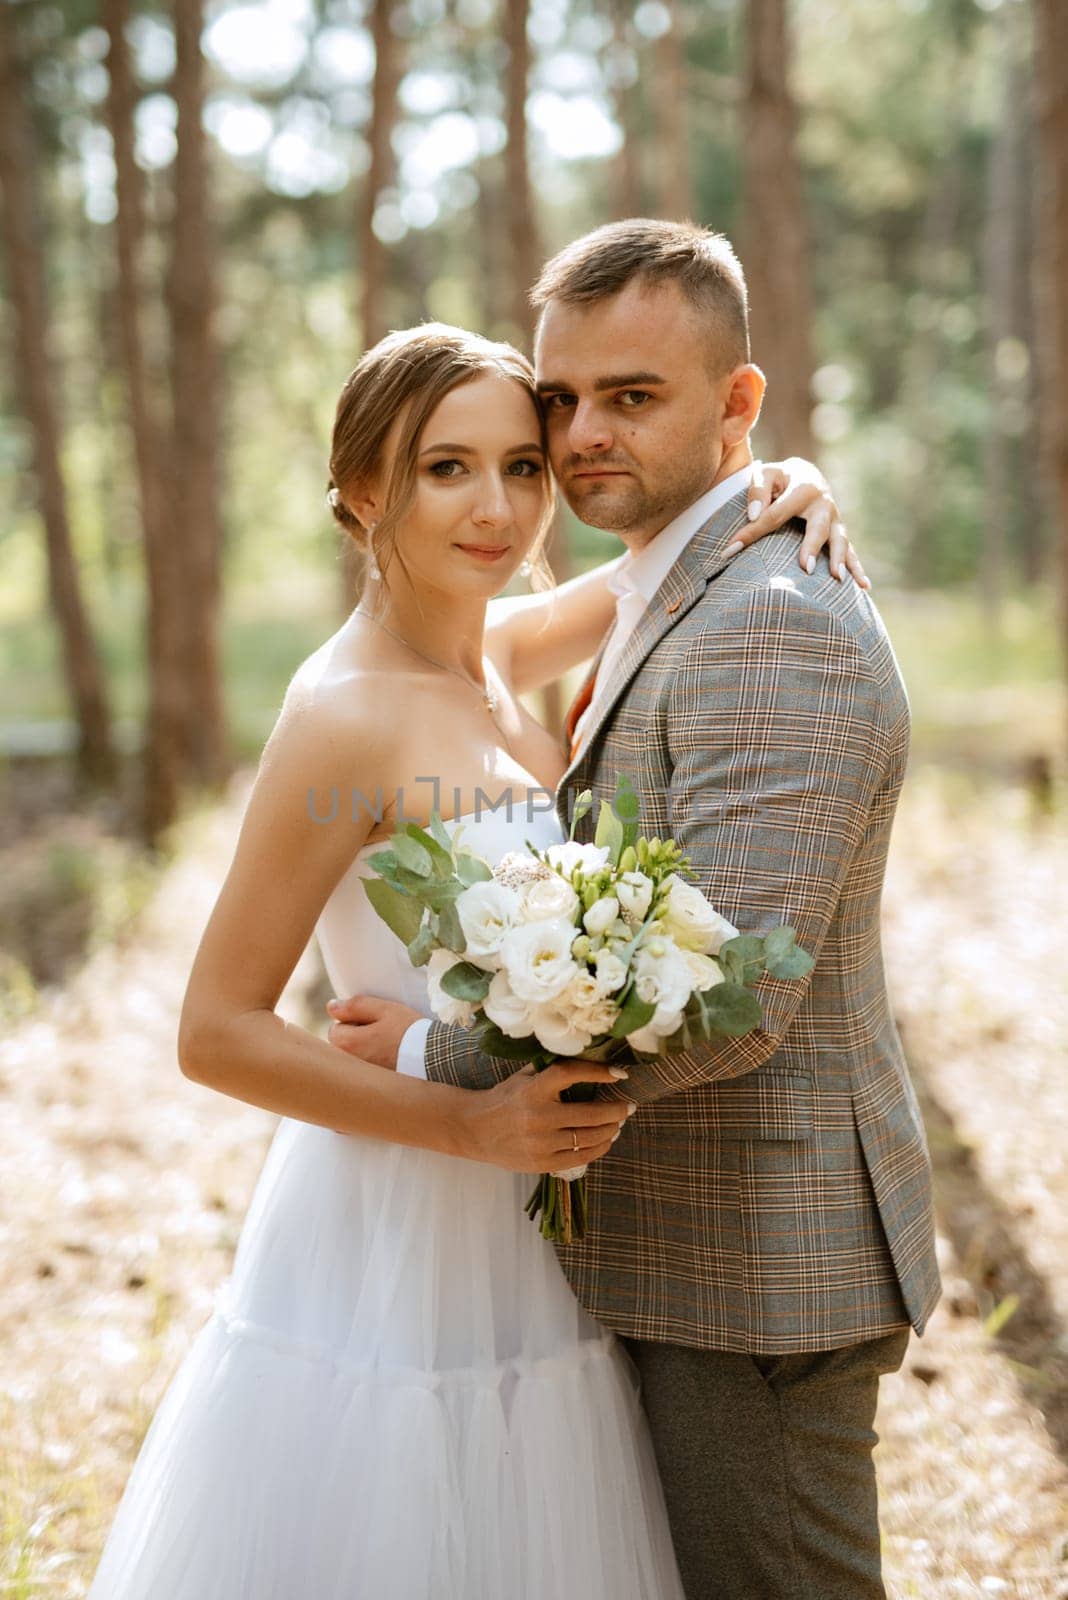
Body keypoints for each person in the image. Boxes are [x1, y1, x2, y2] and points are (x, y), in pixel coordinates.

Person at [85, 313, 854, 1600]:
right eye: (447, 468)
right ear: (366, 490)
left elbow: (671, 557)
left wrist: (783, 480)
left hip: (536, 1215)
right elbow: (215, 1027)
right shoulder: (345, 716)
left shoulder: (491, 649)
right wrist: (465, 1130)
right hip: (395, 1217)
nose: (496, 506)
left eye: (522, 465)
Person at [329, 222, 941, 1600]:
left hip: (757, 1261)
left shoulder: (772, 619)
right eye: (565, 397)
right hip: (648, 1243)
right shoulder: (664, 585)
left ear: (738, 403)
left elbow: (726, 1004)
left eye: (636, 395)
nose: (584, 433)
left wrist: (438, 1055)